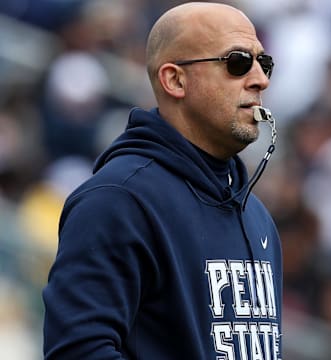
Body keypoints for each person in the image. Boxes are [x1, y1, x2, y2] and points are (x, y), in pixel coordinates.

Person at [43, 2, 283, 359]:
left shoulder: (257, 216)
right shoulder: (116, 201)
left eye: (264, 64)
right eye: (237, 62)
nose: (260, 79)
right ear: (175, 79)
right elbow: (78, 352)